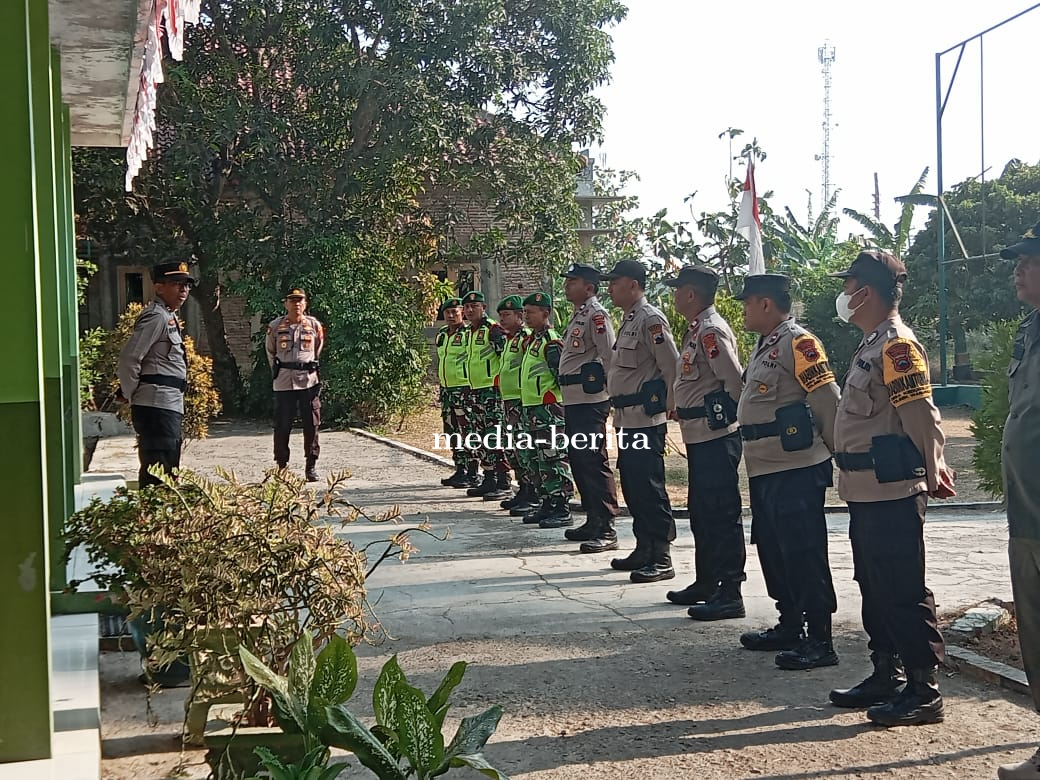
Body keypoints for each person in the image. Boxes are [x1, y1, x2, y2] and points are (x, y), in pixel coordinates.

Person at [824, 250, 954, 726]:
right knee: (873, 585)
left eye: (850, 284)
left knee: (902, 588)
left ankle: (924, 688)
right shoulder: (870, 344)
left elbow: (919, 411)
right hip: (864, 489)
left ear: (869, 291)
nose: (844, 294)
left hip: (893, 489)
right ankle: (886, 673)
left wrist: (933, 464)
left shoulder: (897, 345)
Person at [735, 273, 840, 670]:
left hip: (796, 467)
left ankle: (820, 639)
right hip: (765, 466)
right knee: (774, 551)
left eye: (748, 302)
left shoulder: (800, 343)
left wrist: (838, 453)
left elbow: (828, 401)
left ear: (766, 304)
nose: (743, 309)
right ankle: (790, 623)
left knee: (803, 553)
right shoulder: (766, 345)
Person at [663, 265, 747, 620]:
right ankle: (707, 581)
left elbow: (733, 383)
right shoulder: (697, 329)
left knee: (721, 515)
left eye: (678, 289)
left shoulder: (711, 331)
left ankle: (730, 591)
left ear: (692, 294)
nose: (675, 295)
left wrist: (719, 415)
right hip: (698, 437)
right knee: (702, 513)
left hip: (715, 437)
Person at [602, 259, 680, 583]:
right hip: (626, 419)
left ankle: (661, 555)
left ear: (632, 285)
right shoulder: (629, 319)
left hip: (646, 420)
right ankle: (644, 546)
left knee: (649, 486)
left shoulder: (650, 319)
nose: (610, 288)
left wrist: (672, 407)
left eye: (615, 282)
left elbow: (671, 366)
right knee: (633, 486)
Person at [996, 222, 1040, 777]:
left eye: (1029, 260)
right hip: (1027, 512)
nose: (1018, 269)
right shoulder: (1028, 331)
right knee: (1035, 629)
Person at [556, 263, 621, 552]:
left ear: (590, 287)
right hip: (573, 399)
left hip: (591, 401)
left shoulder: (596, 315)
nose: (567, 286)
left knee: (593, 460)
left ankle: (606, 525)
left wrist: (612, 393)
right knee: (579, 460)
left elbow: (609, 356)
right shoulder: (578, 315)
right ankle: (592, 517)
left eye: (573, 281)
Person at [117, 261, 195, 488]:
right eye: (176, 284)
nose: (184, 290)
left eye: (187, 285)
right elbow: (129, 358)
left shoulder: (167, 316)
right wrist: (132, 393)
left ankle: (162, 518)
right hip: (155, 405)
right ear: (159, 287)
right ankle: (152, 519)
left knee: (168, 467)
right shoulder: (156, 317)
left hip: (167, 403)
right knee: (158, 472)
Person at [518, 292, 575, 527]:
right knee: (536, 459)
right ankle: (547, 502)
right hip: (531, 409)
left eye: (530, 312)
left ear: (545, 313)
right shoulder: (532, 340)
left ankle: (562, 506)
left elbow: (560, 377)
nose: (526, 317)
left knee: (553, 457)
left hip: (548, 410)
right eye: (525, 312)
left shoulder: (552, 342)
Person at [266, 287, 325, 481]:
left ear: (305, 304)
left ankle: (311, 466)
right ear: (286, 303)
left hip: (308, 381)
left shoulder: (314, 326)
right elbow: (270, 352)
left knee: (312, 424)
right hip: (284, 383)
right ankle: (282, 466)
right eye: (292, 300)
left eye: (300, 301)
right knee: (282, 425)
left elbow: (317, 350)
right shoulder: (275, 327)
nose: (296, 304)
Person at [462, 290, 511, 500]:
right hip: (475, 392)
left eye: (475, 306)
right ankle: (488, 476)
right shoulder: (469, 333)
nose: (470, 310)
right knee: (480, 436)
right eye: (467, 307)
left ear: (483, 308)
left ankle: (503, 480)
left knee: (495, 436)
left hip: (492, 392)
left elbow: (505, 358)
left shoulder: (493, 330)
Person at [494, 295, 538, 513]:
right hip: (508, 401)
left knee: (525, 448)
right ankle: (523, 488)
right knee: (514, 449)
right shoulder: (509, 338)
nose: (502, 320)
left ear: (520, 316)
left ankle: (532, 492)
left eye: (507, 315)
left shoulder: (526, 338)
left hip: (522, 401)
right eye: (500, 316)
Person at [436, 297, 474, 487]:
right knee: (452, 432)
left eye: (455, 312)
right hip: (447, 390)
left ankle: (472, 470)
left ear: (462, 313)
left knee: (467, 430)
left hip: (463, 389)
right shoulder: (442, 334)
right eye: (447, 313)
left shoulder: (468, 334)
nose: (451, 316)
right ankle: (460, 468)